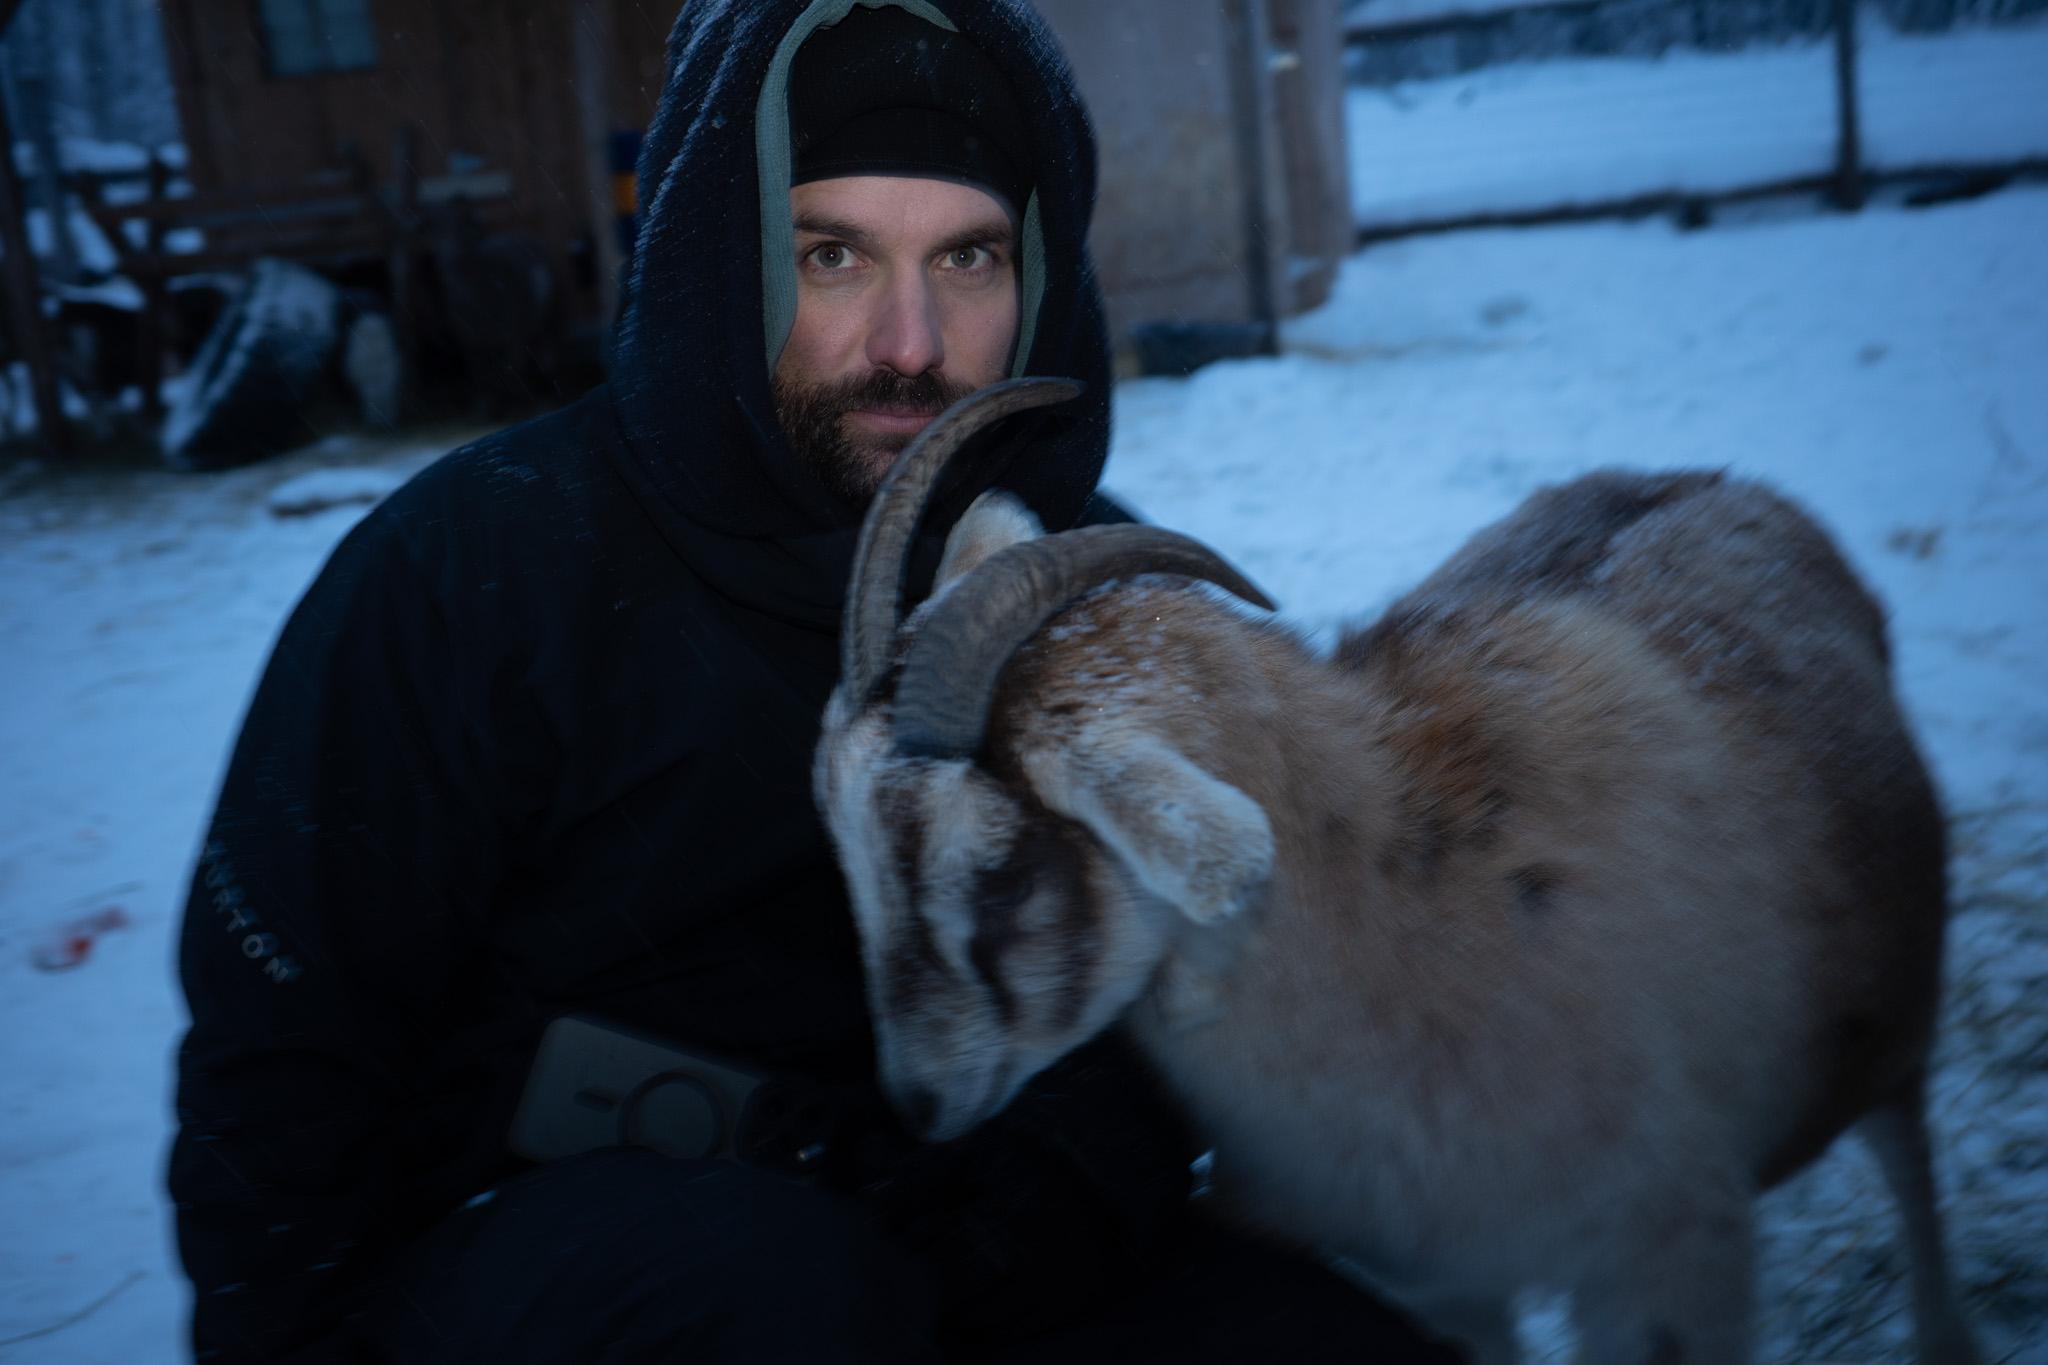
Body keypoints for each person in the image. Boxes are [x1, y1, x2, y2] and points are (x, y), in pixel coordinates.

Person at [169, 3, 1461, 1361]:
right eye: (833, 253)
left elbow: (1208, 962)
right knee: (772, 1289)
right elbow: (281, 1066)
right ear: (723, 252)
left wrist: (1087, 1156)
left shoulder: (1084, 594)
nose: (909, 340)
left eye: (968, 256)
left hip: (954, 1257)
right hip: (561, 1275)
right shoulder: (471, 574)